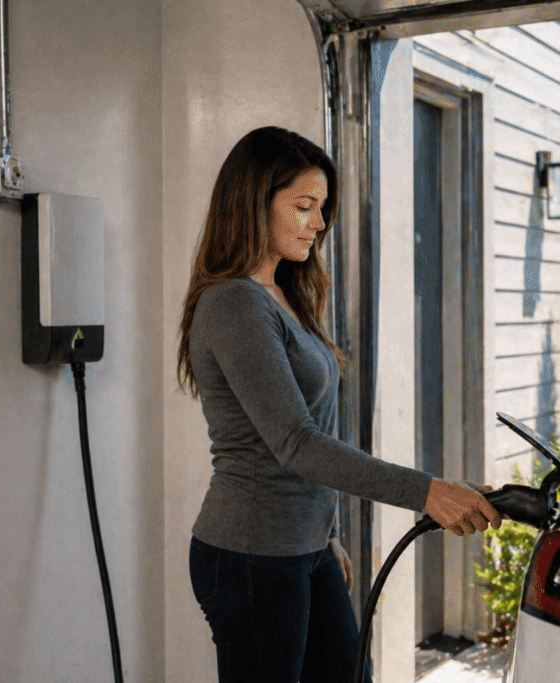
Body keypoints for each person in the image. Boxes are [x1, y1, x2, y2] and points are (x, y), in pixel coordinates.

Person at [176, 126, 502, 683]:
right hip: (253, 556)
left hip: (304, 548)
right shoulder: (235, 305)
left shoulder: (282, 294)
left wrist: (326, 533)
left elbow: (311, 426)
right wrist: (428, 492)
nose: (320, 223)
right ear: (254, 202)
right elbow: (296, 441)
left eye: (322, 207)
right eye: (305, 206)